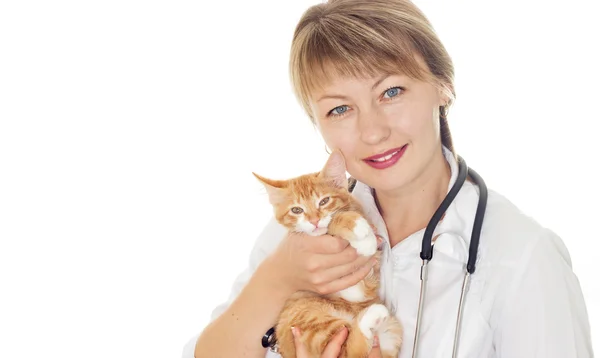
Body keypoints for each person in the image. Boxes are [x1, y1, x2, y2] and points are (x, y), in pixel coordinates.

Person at [183, 0, 594, 357]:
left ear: (442, 86)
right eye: (340, 110)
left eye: (392, 92)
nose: (373, 132)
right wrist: (276, 280)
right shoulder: (296, 237)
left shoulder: (522, 258)